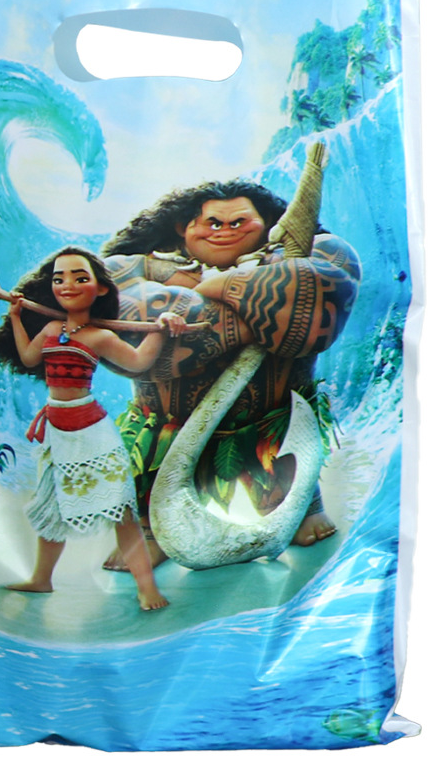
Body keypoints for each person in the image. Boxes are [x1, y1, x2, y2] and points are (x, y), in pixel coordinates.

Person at [99, 179, 360, 569]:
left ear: (268, 222)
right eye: (213, 223)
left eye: (239, 222)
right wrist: (259, 311)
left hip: (271, 418)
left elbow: (317, 302)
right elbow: (122, 326)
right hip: (169, 425)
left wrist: (219, 286)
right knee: (151, 468)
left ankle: (305, 507)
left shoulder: (318, 251)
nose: (224, 231)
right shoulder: (127, 267)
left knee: (284, 458)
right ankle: (149, 533)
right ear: (182, 227)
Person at [0, 246, 184, 610]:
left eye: (80, 278)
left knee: (121, 512)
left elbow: (138, 362)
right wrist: (15, 318)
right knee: (52, 507)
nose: (68, 285)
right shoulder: (50, 329)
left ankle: (146, 588)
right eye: (59, 278)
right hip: (57, 432)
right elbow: (29, 358)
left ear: (100, 288)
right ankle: (41, 579)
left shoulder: (100, 337)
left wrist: (162, 328)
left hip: (91, 432)